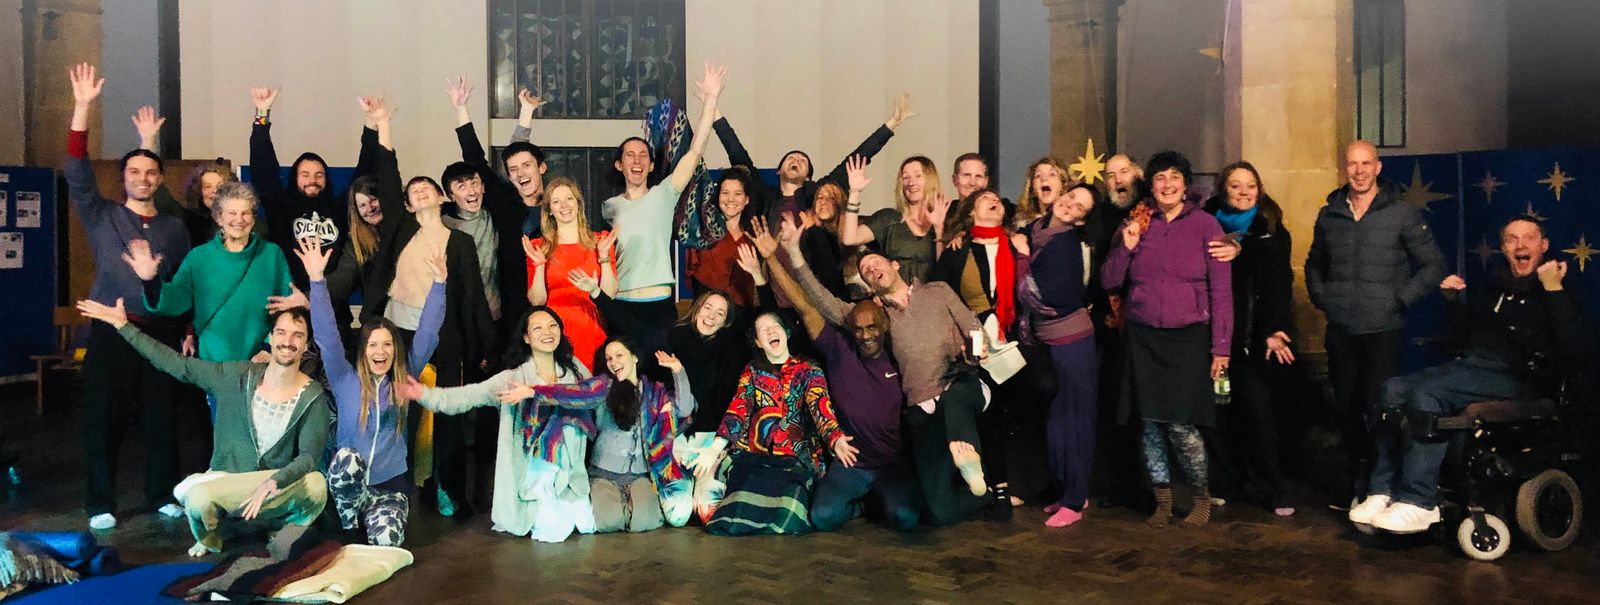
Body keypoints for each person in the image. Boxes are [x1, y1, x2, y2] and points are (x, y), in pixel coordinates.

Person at [787, 167, 1000, 525]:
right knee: (937, 511)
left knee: (955, 401)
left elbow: (974, 327)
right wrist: (794, 254)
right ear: (869, 287)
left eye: (876, 263)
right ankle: (983, 492)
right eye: (866, 272)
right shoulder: (876, 316)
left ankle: (968, 459)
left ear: (895, 264)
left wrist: (976, 349)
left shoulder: (937, 291)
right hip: (921, 408)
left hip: (959, 384)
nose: (872, 270)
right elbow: (822, 301)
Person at [1349, 217, 1589, 533]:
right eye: (1512, 239)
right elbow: (1464, 338)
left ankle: (1419, 500)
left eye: (1529, 238)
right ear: (1504, 248)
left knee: (1427, 395)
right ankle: (1382, 489)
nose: (1520, 245)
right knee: (1392, 388)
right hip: (1474, 366)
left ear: (1543, 245)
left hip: (1522, 377)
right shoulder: (1496, 289)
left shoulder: (1558, 289)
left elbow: (1575, 351)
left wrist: (1554, 289)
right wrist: (1453, 303)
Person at [76, 299, 329, 558]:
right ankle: (211, 538)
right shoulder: (235, 376)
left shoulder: (312, 396)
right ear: (271, 338)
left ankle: (285, 528)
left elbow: (309, 456)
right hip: (232, 484)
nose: (288, 341)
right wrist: (124, 326)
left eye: (297, 335)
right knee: (196, 497)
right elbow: (177, 364)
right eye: (282, 333)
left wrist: (275, 481)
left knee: (316, 483)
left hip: (276, 488)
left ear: (306, 345)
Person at [63, 64, 192, 530]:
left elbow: (183, 285)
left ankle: (161, 493)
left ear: (160, 180)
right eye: (134, 171)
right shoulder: (102, 216)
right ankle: (100, 502)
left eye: (151, 172)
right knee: (104, 419)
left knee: (161, 418)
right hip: (111, 332)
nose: (143, 177)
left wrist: (188, 329)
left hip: (159, 335)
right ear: (123, 179)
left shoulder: (175, 228)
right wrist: (82, 107)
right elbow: (76, 170)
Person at [360, 96, 497, 517]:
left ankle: (447, 488)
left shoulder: (461, 242)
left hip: (445, 337)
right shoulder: (399, 229)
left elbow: (473, 298)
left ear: (441, 197)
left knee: (447, 416)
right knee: (400, 411)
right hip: (398, 332)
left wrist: (485, 349)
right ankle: (394, 487)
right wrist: (383, 124)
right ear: (406, 205)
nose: (420, 192)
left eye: (427, 188)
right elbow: (388, 178)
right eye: (412, 192)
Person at [754, 220, 921, 532]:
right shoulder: (838, 348)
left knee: (906, 517)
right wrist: (771, 258)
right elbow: (804, 306)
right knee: (822, 517)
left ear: (884, 325)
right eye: (858, 329)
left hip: (892, 463)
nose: (866, 335)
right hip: (853, 462)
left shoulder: (900, 353)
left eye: (872, 328)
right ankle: (862, 504)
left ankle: (880, 500)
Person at [1305, 140, 1446, 506]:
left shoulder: (1402, 213)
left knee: (1379, 410)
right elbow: (1314, 264)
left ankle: (1380, 486)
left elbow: (1434, 266)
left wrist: (1400, 299)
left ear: (1378, 167)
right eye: (1352, 164)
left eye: (1366, 163)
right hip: (1341, 329)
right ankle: (1357, 482)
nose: (1359, 171)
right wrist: (1324, 298)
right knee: (1347, 410)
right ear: (1345, 168)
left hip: (1383, 330)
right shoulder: (1329, 215)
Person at [1101, 150, 1232, 528]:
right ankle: (1163, 501)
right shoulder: (1138, 223)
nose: (1168, 184)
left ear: (1185, 184)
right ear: (1151, 185)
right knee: (1150, 423)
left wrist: (1221, 348)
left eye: (1175, 177)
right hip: (1143, 336)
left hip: (1188, 338)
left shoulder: (1206, 225)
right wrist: (1126, 247)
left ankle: (1201, 497)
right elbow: (1109, 280)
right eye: (1160, 178)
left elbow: (1221, 292)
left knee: (1181, 425)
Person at [401, 307, 594, 542]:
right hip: (535, 473)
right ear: (526, 338)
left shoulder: (573, 369)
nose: (547, 332)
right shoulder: (513, 379)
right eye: (538, 328)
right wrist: (425, 394)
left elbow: (592, 395)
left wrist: (535, 393)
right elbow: (468, 396)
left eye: (553, 326)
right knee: (556, 530)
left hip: (570, 470)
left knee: (587, 524)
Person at [301, 237, 446, 546]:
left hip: (389, 488)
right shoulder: (344, 379)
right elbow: (327, 335)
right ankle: (349, 524)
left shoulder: (404, 378)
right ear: (363, 350)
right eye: (373, 345)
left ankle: (373, 526)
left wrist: (439, 284)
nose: (380, 351)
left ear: (395, 349)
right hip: (349, 489)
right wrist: (317, 281)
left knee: (387, 542)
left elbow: (428, 333)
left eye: (387, 344)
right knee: (348, 458)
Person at [933, 186, 1050, 507]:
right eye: (985, 199)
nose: (994, 201)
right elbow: (940, 291)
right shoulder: (959, 248)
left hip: (1015, 335)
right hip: (977, 341)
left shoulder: (1015, 243)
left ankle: (1028, 479)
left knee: (1043, 387)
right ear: (971, 211)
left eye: (997, 200)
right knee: (992, 411)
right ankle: (999, 488)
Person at [695, 311, 856, 536]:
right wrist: (714, 448)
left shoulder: (809, 369)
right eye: (763, 330)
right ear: (758, 342)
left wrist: (835, 438)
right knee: (732, 519)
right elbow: (739, 407)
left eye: (775, 326)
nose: (771, 331)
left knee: (787, 517)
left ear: (786, 333)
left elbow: (820, 405)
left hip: (796, 460)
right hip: (756, 458)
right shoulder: (752, 371)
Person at [515, 338, 698, 533]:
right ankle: (620, 508)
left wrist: (678, 370)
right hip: (603, 474)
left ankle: (629, 508)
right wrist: (534, 392)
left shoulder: (655, 393)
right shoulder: (605, 386)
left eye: (619, 355)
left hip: (640, 475)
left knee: (644, 523)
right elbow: (576, 393)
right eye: (609, 358)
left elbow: (685, 408)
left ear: (634, 357)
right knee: (608, 522)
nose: (614, 362)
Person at [1203, 162, 1298, 517]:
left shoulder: (1270, 228)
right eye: (1235, 186)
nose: (1244, 192)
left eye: (1250, 186)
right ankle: (1226, 482)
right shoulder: (1206, 222)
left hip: (1253, 337)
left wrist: (1276, 328)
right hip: (1213, 336)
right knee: (1219, 413)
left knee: (1259, 414)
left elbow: (1279, 281)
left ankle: (1274, 487)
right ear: (1222, 190)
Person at [601, 62, 725, 333]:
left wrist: (710, 100)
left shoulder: (664, 194)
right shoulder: (608, 208)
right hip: (620, 303)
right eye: (630, 155)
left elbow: (695, 151)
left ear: (651, 165)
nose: (637, 160)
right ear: (619, 165)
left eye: (643, 155)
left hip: (659, 305)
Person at [127, 182, 298, 367]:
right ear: (219, 218)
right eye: (232, 213)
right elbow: (175, 301)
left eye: (245, 213)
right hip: (213, 365)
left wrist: (268, 347)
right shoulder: (198, 257)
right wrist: (150, 281)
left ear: (254, 218)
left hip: (261, 362)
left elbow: (286, 307)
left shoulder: (272, 255)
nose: (239, 220)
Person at [1017, 183, 1101, 527]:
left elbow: (1043, 295)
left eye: (1079, 207)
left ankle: (1074, 501)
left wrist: (1021, 258)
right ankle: (1067, 491)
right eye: (1071, 197)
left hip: (1071, 340)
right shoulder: (1037, 229)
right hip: (1047, 340)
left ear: (1081, 220)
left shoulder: (1065, 245)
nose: (1069, 204)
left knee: (1074, 421)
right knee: (1056, 420)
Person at [711, 93, 915, 226]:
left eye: (803, 161)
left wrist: (890, 125)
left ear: (808, 176)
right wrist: (714, 112)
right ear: (778, 170)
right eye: (791, 158)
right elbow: (737, 154)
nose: (796, 160)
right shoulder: (766, 197)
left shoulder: (816, 194)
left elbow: (857, 158)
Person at [443, 77, 545, 333]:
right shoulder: (504, 203)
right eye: (513, 171)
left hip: (553, 301)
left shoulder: (558, 204)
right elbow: (475, 158)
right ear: (508, 177)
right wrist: (461, 108)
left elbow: (519, 154)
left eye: (527, 166)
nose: (520, 173)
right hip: (511, 309)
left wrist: (527, 112)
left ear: (541, 168)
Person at [525, 177, 618, 372]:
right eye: (556, 201)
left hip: (591, 326)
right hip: (554, 331)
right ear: (549, 209)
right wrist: (540, 265)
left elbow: (609, 294)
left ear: (578, 203)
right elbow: (537, 301)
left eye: (569, 198)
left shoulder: (600, 241)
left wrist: (603, 256)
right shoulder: (539, 247)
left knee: (593, 384)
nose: (564, 206)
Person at [839, 156, 953, 285]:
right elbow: (850, 239)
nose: (911, 182)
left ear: (930, 179)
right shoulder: (888, 218)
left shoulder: (946, 218)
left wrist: (939, 230)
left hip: (934, 294)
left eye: (918, 176)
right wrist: (854, 192)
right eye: (905, 177)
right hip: (897, 294)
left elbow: (946, 270)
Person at [685, 166, 762, 307]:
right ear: (718, 196)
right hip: (706, 311)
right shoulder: (704, 235)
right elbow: (693, 275)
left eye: (738, 194)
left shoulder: (753, 240)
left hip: (741, 316)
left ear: (746, 199)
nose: (731, 199)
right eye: (725, 193)